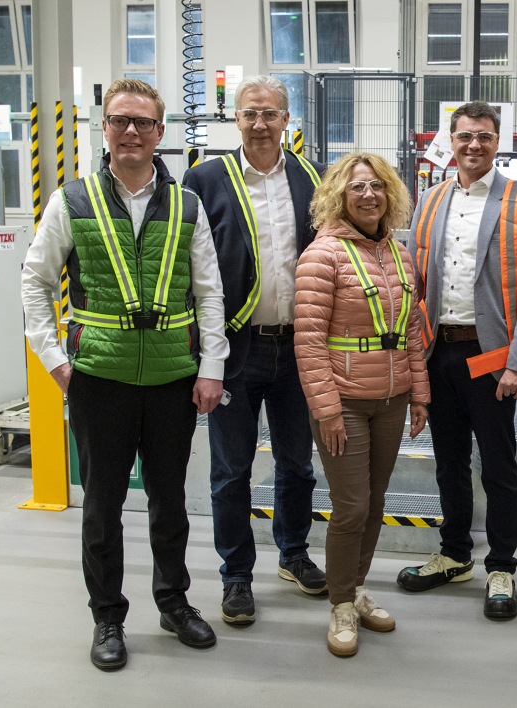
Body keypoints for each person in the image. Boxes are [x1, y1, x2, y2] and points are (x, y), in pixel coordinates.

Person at [21, 79, 228, 671]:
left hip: (172, 381)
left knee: (170, 502)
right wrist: (55, 357)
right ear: (104, 128)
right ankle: (107, 616)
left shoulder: (187, 205)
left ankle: (173, 601)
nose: (131, 131)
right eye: (119, 120)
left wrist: (211, 367)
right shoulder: (72, 201)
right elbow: (35, 280)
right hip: (99, 381)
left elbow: (209, 293)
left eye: (143, 122)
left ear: (161, 132)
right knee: (102, 505)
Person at [181, 75, 327, 627]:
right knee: (230, 470)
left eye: (270, 113)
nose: (260, 124)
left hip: (298, 350)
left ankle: (293, 555)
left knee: (297, 464)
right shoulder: (205, 180)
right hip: (234, 352)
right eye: (250, 114)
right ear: (236, 120)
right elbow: (191, 268)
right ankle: (236, 576)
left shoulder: (313, 180)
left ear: (287, 118)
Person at [398, 101, 517, 619]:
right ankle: (454, 552)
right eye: (465, 137)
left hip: (491, 356)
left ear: (498, 141)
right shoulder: (432, 199)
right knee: (449, 462)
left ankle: (502, 565)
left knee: (499, 464)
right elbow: (416, 279)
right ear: (452, 139)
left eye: (484, 137)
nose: (474, 146)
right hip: (440, 348)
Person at [294, 152, 430, 657]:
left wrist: (420, 392)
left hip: (391, 400)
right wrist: (327, 408)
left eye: (377, 187)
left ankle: (355, 588)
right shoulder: (322, 255)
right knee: (351, 508)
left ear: (389, 194)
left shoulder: (397, 253)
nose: (368, 195)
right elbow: (308, 342)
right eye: (357, 188)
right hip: (344, 403)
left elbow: (411, 332)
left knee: (374, 503)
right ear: (339, 196)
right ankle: (340, 606)